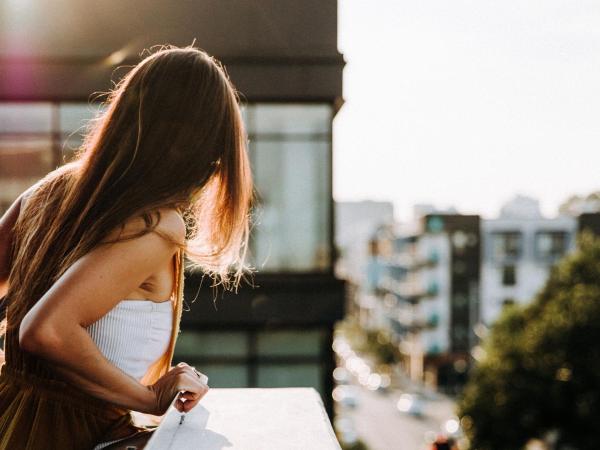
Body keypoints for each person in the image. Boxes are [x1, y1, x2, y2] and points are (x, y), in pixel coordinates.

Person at [0, 44, 253, 449]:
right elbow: (46, 331)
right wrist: (150, 400)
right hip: (69, 434)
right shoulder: (157, 225)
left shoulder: (48, 190)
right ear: (207, 147)